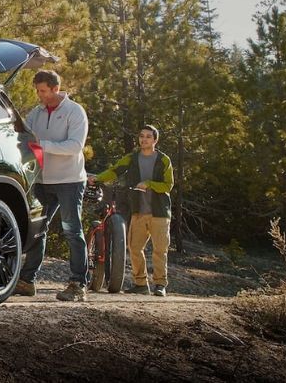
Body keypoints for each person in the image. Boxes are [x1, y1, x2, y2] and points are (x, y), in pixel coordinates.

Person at [20, 70, 90, 301]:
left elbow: (75, 146)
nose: (39, 95)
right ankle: (26, 281)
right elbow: (25, 136)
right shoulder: (36, 113)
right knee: (37, 230)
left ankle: (78, 285)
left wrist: (42, 144)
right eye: (37, 91)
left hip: (69, 181)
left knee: (72, 231)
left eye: (43, 91)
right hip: (41, 180)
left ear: (55, 88)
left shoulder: (75, 111)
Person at [91, 125, 175, 297]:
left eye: (148, 137)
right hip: (138, 212)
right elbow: (115, 171)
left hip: (159, 213)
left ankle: (160, 285)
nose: (144, 139)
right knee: (134, 248)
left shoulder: (163, 160)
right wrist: (97, 178)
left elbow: (168, 185)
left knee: (160, 250)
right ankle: (140, 284)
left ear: (155, 140)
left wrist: (149, 184)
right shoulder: (132, 158)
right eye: (142, 136)